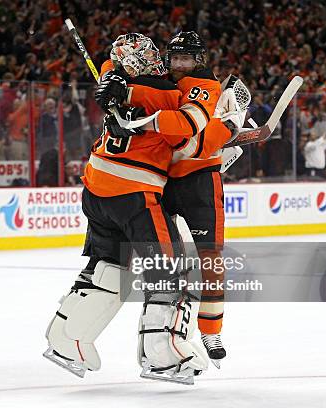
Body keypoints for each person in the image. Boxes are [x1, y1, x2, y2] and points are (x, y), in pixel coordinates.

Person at [44, 33, 210, 385]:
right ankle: (163, 355)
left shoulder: (113, 79)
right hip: (135, 193)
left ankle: (67, 339)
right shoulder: (167, 93)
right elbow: (185, 129)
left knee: (108, 267)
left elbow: (112, 70)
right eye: (151, 55)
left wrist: (115, 79)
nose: (159, 61)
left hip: (97, 187)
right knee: (170, 269)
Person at [94, 31, 244, 367]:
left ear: (198, 60)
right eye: (174, 58)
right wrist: (114, 79)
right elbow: (122, 65)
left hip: (200, 181)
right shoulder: (160, 77)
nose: (178, 65)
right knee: (169, 260)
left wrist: (225, 132)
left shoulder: (205, 86)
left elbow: (189, 141)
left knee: (210, 258)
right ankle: (163, 338)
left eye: (185, 59)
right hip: (162, 180)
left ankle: (210, 330)